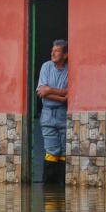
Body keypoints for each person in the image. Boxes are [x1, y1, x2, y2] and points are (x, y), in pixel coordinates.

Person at [37, 39, 68, 184]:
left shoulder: (70, 69)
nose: (52, 53)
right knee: (52, 151)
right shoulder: (46, 67)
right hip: (48, 114)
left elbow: (71, 93)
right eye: (52, 50)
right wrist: (62, 97)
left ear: (65, 55)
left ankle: (60, 195)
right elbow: (41, 92)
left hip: (63, 115)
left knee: (64, 152)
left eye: (56, 51)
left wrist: (50, 90)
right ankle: (49, 197)